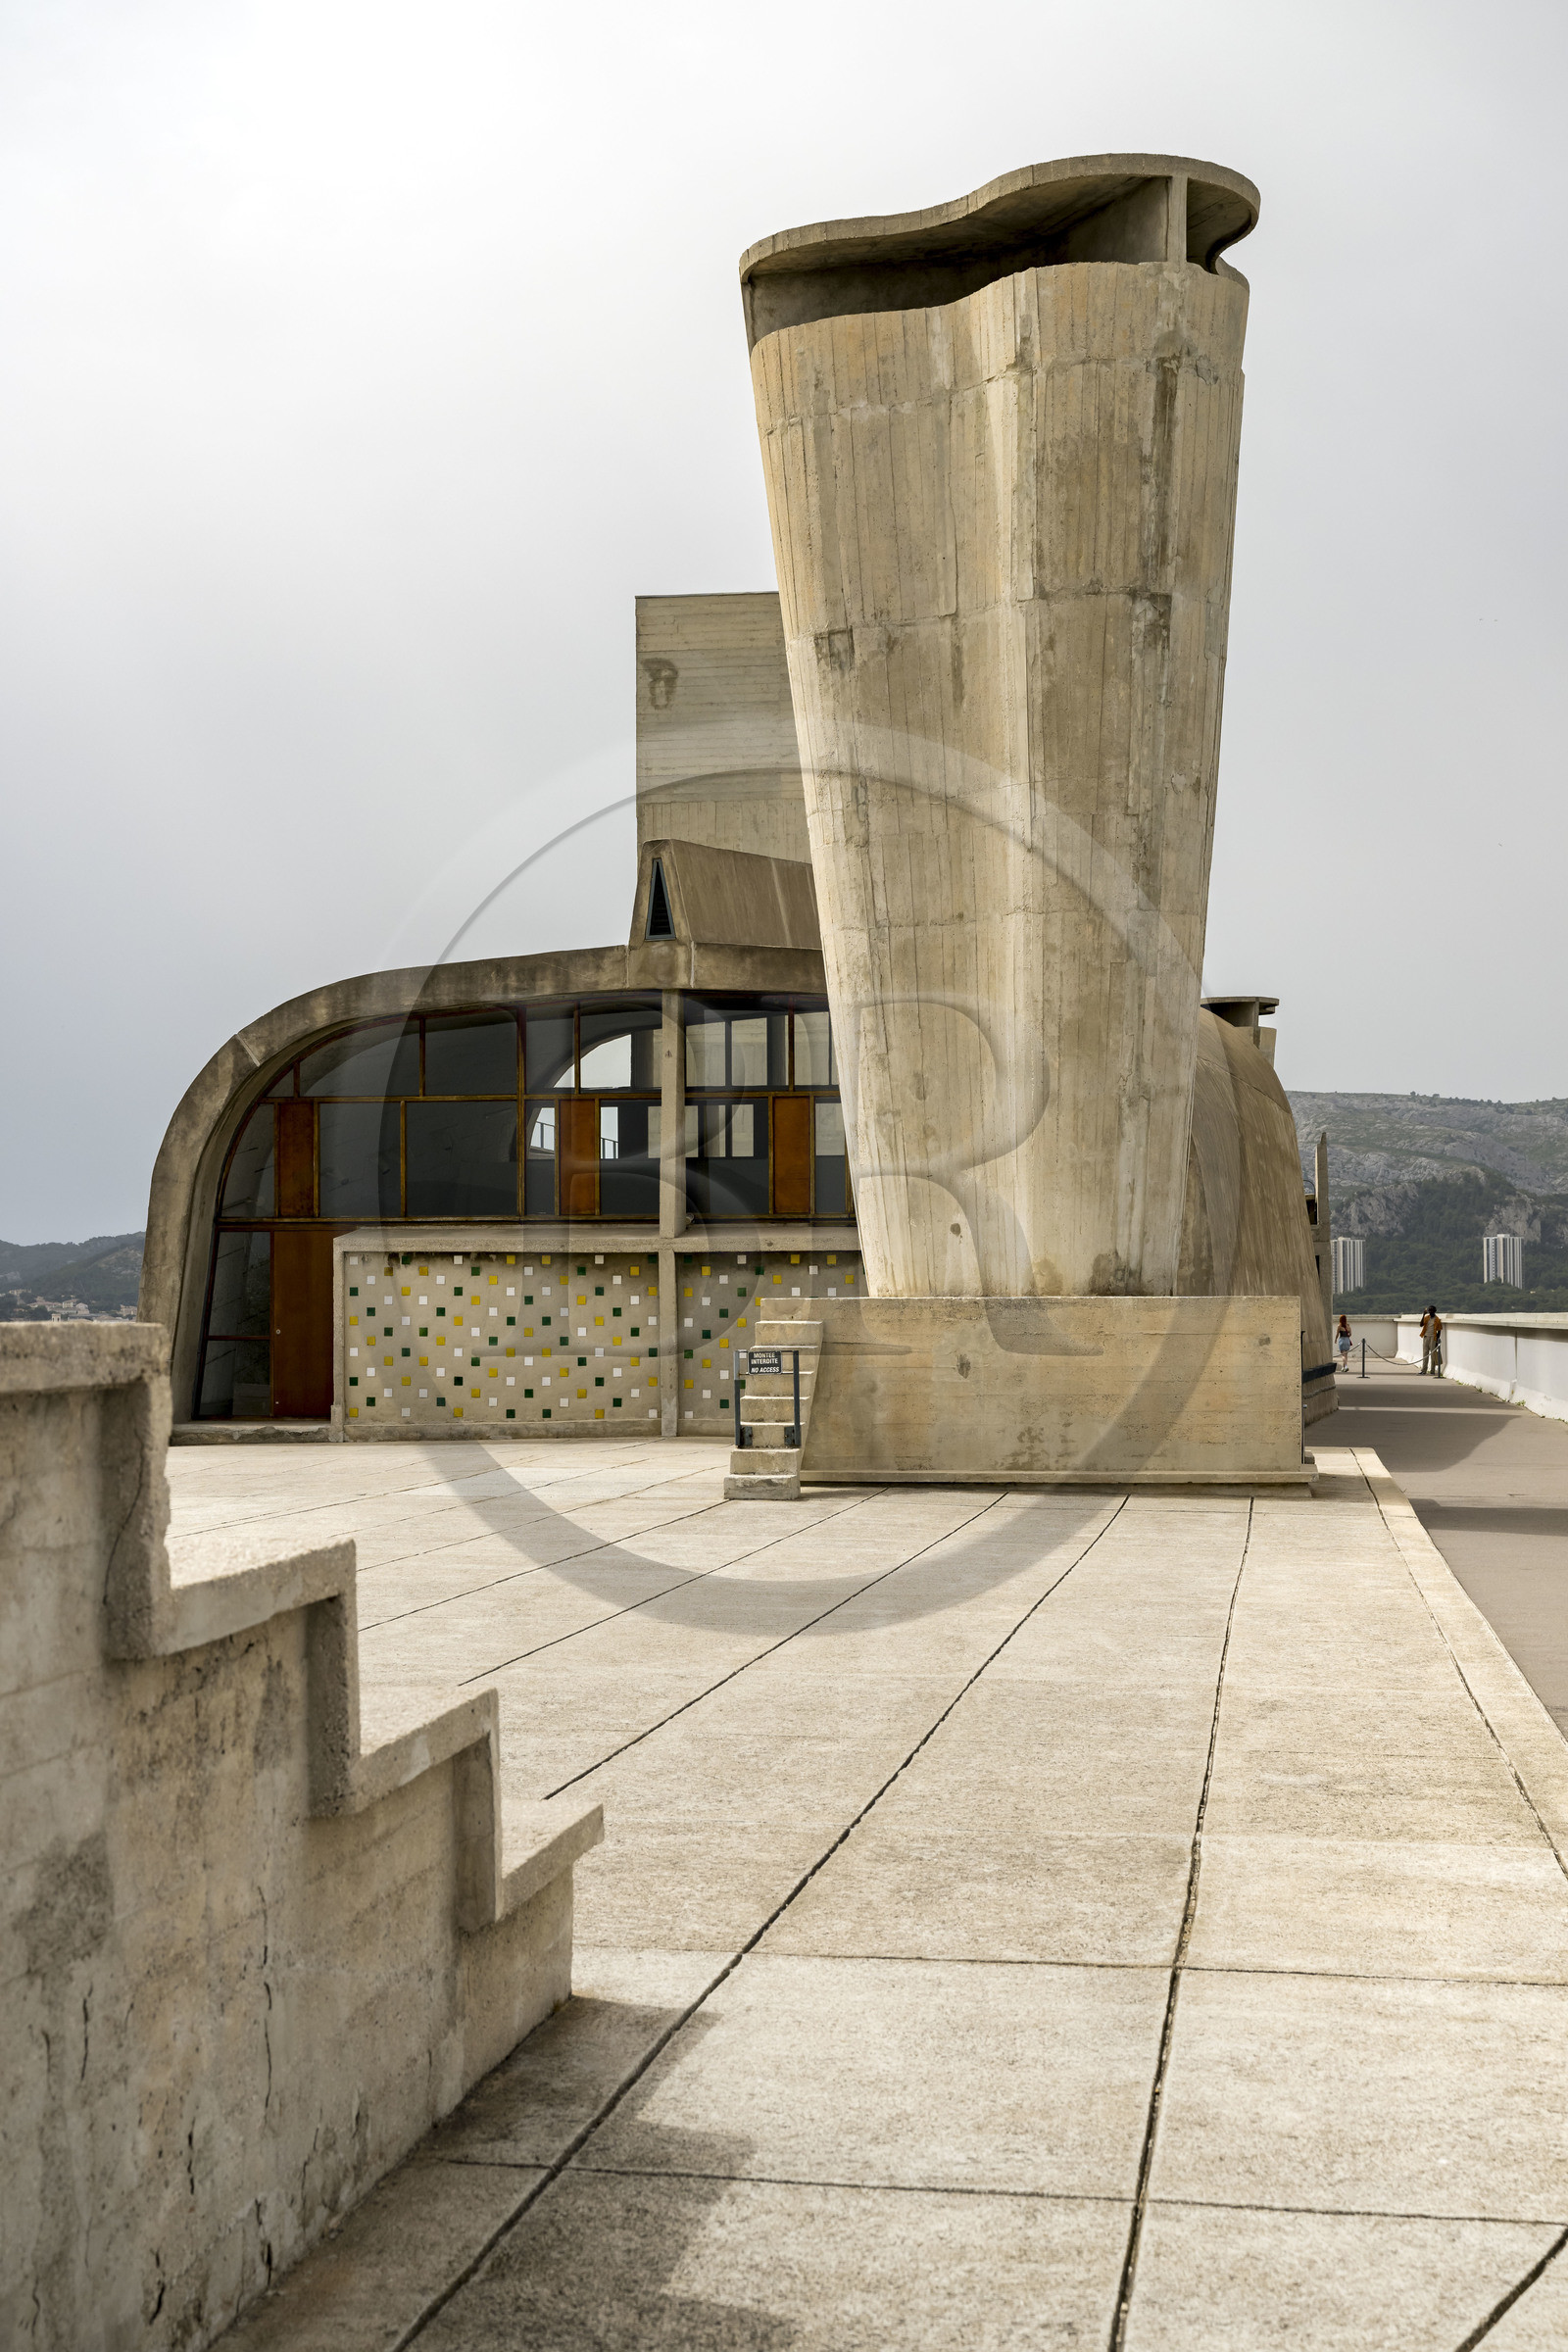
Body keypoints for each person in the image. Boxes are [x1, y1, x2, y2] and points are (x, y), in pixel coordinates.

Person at [1420, 1305, 1436, 1374]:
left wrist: (1437, 1340)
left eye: (1432, 1310)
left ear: (1435, 1311)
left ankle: (1432, 1370)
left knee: (1433, 1355)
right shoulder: (1426, 1318)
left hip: (1433, 1338)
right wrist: (1423, 1315)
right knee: (1425, 1354)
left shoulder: (1437, 1319)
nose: (1430, 1312)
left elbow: (1439, 1331)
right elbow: (1421, 1324)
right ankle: (1424, 1370)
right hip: (1426, 1337)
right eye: (1429, 1311)